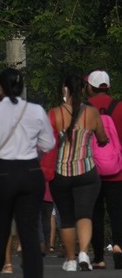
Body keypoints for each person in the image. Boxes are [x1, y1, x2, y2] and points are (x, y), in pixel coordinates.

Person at [0, 67, 55, 278]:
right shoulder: (37, 110)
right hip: (30, 171)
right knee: (29, 233)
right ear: (21, 88)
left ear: (0, 88)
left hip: (1, 172)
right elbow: (48, 143)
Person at [48, 73, 109, 271]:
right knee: (85, 214)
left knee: (66, 218)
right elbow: (102, 136)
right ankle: (84, 252)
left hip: (61, 174)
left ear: (64, 90)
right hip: (87, 173)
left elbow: (46, 142)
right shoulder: (91, 113)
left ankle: (71, 260)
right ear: (82, 90)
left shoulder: (54, 113)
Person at [85, 69, 122, 269]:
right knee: (118, 212)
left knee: (95, 213)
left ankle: (98, 257)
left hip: (91, 170)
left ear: (90, 88)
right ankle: (118, 247)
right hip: (118, 171)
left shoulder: (83, 109)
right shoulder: (120, 107)